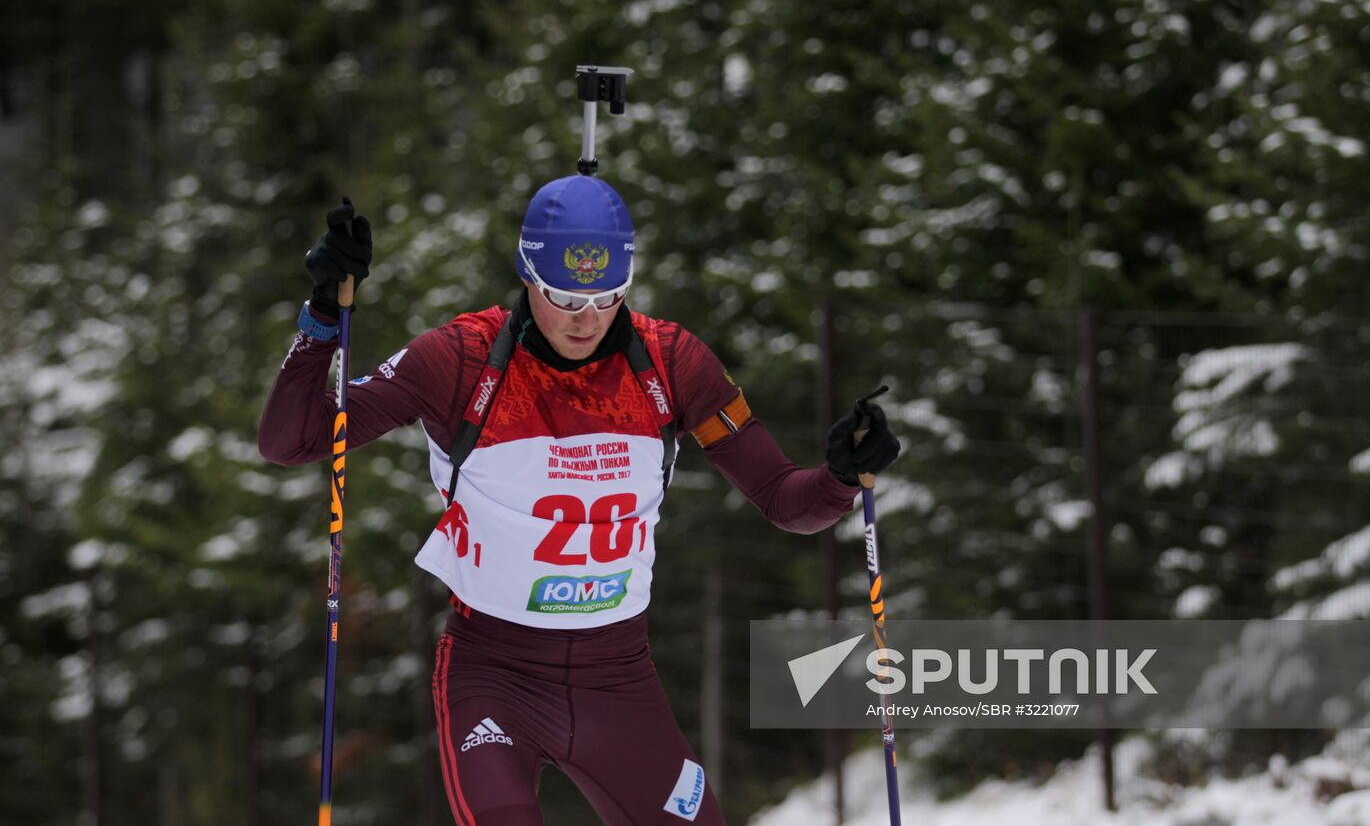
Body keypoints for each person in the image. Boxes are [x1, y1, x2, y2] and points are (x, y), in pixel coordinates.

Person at [259, 175, 901, 825]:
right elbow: (296, 438)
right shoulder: (462, 358)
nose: (586, 318)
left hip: (618, 682)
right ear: (527, 272)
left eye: (607, 296)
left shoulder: (669, 363)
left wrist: (841, 478)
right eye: (564, 295)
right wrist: (320, 318)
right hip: (494, 676)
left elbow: (784, 499)